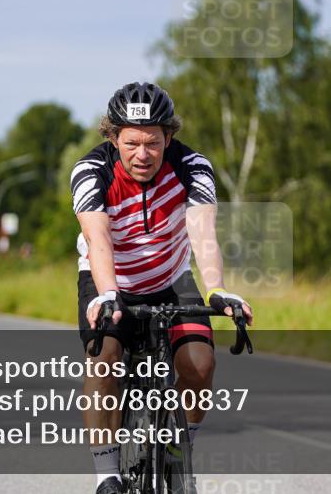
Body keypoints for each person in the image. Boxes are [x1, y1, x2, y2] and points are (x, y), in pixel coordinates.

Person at [71, 82, 253, 494]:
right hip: (110, 279)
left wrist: (218, 290)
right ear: (112, 135)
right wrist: (107, 295)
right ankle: (107, 475)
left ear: (168, 137)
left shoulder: (193, 166)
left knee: (200, 364)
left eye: (153, 143)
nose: (142, 154)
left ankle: (181, 444)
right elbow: (98, 240)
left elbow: (204, 234)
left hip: (172, 278)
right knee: (106, 360)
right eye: (131, 142)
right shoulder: (90, 171)